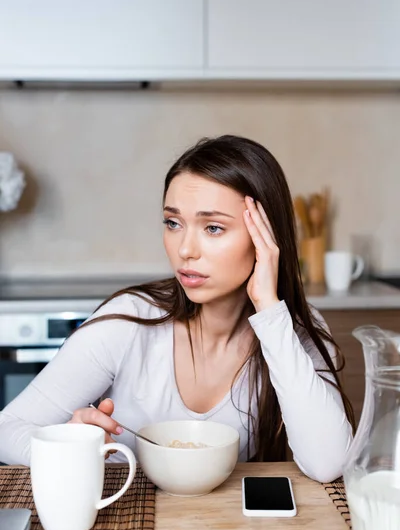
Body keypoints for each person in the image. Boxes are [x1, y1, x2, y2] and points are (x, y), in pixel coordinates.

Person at [0, 135, 354, 482]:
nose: (185, 249)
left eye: (213, 228)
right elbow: (7, 429)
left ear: (266, 237)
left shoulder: (290, 330)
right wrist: (64, 448)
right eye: (173, 223)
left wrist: (269, 310)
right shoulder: (128, 323)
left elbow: (328, 463)